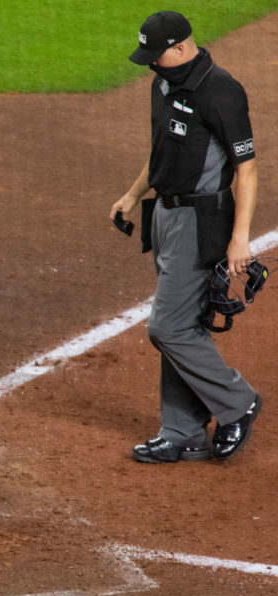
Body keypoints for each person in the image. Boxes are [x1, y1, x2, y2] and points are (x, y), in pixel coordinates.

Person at [110, 11, 261, 464]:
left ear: (180, 47)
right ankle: (183, 432)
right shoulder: (162, 83)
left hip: (202, 221)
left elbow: (247, 169)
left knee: (168, 326)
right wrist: (134, 195)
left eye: (156, 56)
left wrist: (240, 238)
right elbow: (161, 151)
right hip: (165, 217)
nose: (151, 65)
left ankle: (238, 402)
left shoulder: (221, 91)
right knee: (182, 324)